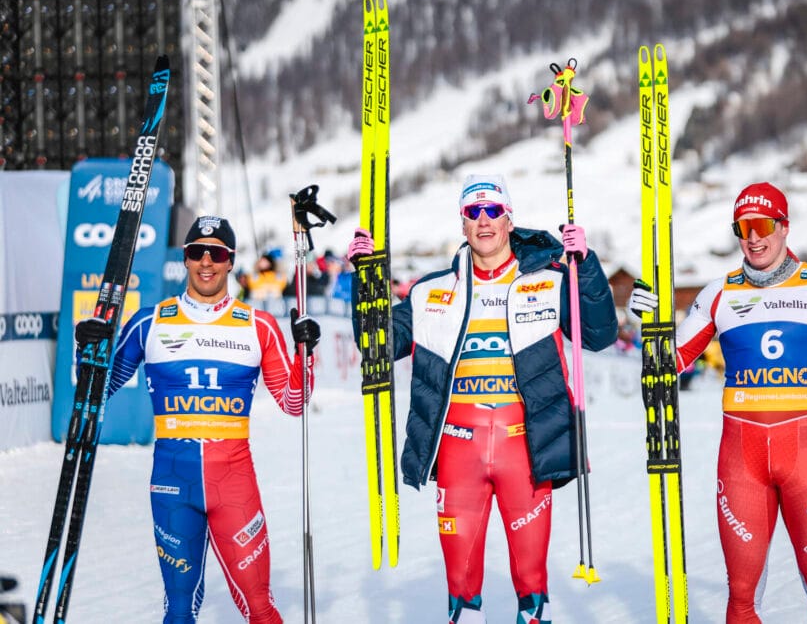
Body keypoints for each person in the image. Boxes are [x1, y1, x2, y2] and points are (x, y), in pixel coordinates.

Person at [628, 182, 807, 624]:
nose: (753, 237)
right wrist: (648, 322)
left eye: (763, 226)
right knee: (740, 599)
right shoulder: (718, 293)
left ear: (784, 227)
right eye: (742, 228)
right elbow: (667, 364)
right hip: (741, 463)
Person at [347, 174, 618, 624]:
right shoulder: (430, 292)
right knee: (461, 593)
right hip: (458, 453)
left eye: (493, 210)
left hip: (525, 452)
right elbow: (377, 345)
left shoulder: (549, 281)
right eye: (473, 212)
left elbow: (599, 334)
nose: (484, 220)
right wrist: (366, 281)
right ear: (463, 223)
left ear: (509, 219)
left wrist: (584, 267)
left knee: (532, 588)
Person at [74, 216, 321, 624]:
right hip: (172, 486)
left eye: (217, 254)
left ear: (230, 261)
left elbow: (294, 402)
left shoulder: (258, 326)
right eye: (197, 252)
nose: (207, 261)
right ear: (186, 259)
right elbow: (95, 393)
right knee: (179, 610)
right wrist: (88, 353)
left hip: (234, 487)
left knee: (259, 608)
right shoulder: (150, 322)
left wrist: (305, 353)